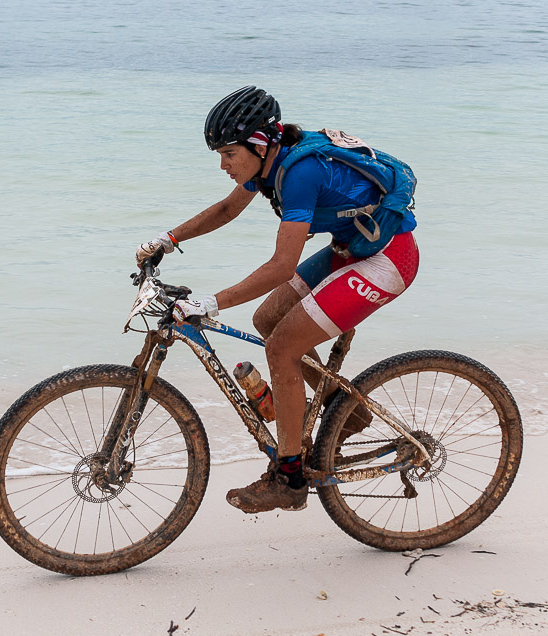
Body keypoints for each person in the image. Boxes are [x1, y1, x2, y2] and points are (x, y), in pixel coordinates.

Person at [135, 86, 419, 514]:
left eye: (229, 153)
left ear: (258, 144)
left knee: (281, 348)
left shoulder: (300, 173)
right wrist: (170, 238)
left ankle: (289, 479)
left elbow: (282, 266)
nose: (223, 164)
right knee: (268, 319)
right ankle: (350, 414)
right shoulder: (271, 161)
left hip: (388, 259)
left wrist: (210, 303)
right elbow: (228, 210)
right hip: (352, 248)